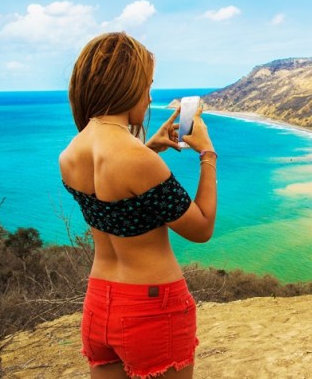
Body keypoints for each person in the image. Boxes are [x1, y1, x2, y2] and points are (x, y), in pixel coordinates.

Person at [59, 32, 217, 378]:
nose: (147, 98)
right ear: (126, 88)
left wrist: (149, 147)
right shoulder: (137, 160)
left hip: (99, 304)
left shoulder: (69, 155)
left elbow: (116, 198)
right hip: (152, 306)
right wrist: (207, 153)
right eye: (146, 86)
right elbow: (201, 227)